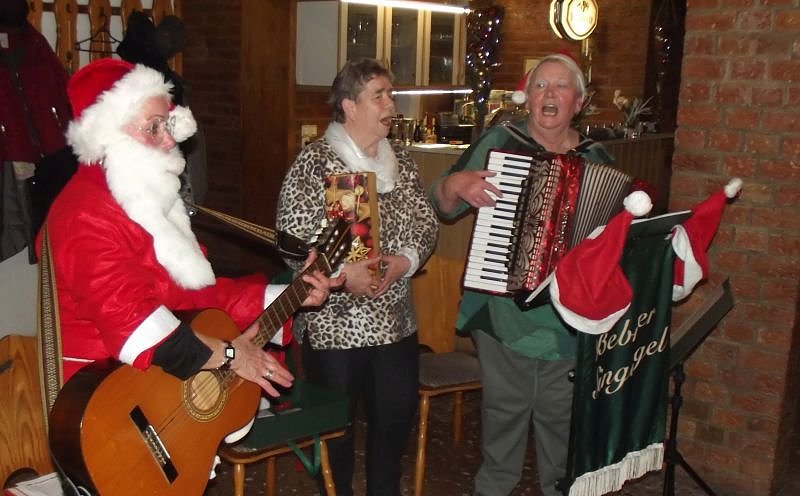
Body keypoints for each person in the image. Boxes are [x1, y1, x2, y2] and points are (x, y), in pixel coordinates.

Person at [38, 58, 342, 399]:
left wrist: (289, 295)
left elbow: (196, 300)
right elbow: (135, 326)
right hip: (105, 402)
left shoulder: (150, 205)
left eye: (168, 125)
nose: (170, 141)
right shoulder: (84, 213)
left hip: (159, 389)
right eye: (154, 127)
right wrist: (232, 355)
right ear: (107, 135)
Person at [429, 53, 613, 496]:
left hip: (567, 321)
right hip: (502, 314)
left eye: (560, 86)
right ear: (527, 98)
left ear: (579, 102)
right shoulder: (499, 142)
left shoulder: (598, 159)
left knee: (561, 430)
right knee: (502, 422)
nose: (549, 94)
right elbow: (442, 204)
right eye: (540, 86)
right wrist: (454, 185)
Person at [277, 58, 438, 496]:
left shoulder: (401, 161)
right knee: (337, 435)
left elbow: (426, 224)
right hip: (335, 326)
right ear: (349, 106)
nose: (391, 105)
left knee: (393, 424)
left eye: (391, 95)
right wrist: (344, 276)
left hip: (395, 322)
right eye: (378, 96)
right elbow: (291, 241)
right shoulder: (316, 162)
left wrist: (404, 262)